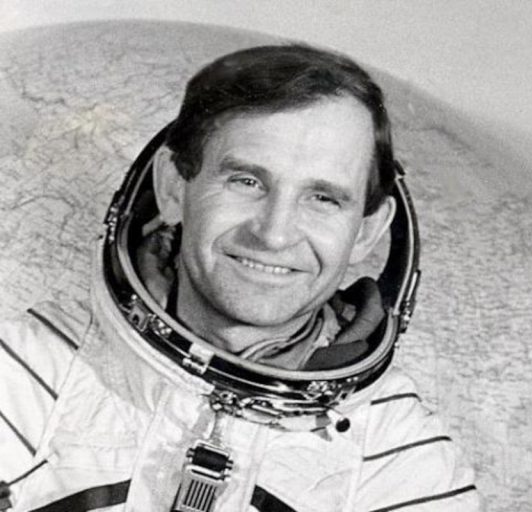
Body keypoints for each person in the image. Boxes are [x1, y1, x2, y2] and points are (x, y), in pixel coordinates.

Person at [0, 44, 480, 511]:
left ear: (367, 232)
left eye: (323, 198)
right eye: (246, 181)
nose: (274, 234)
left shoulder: (403, 468)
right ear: (173, 188)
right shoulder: (26, 376)